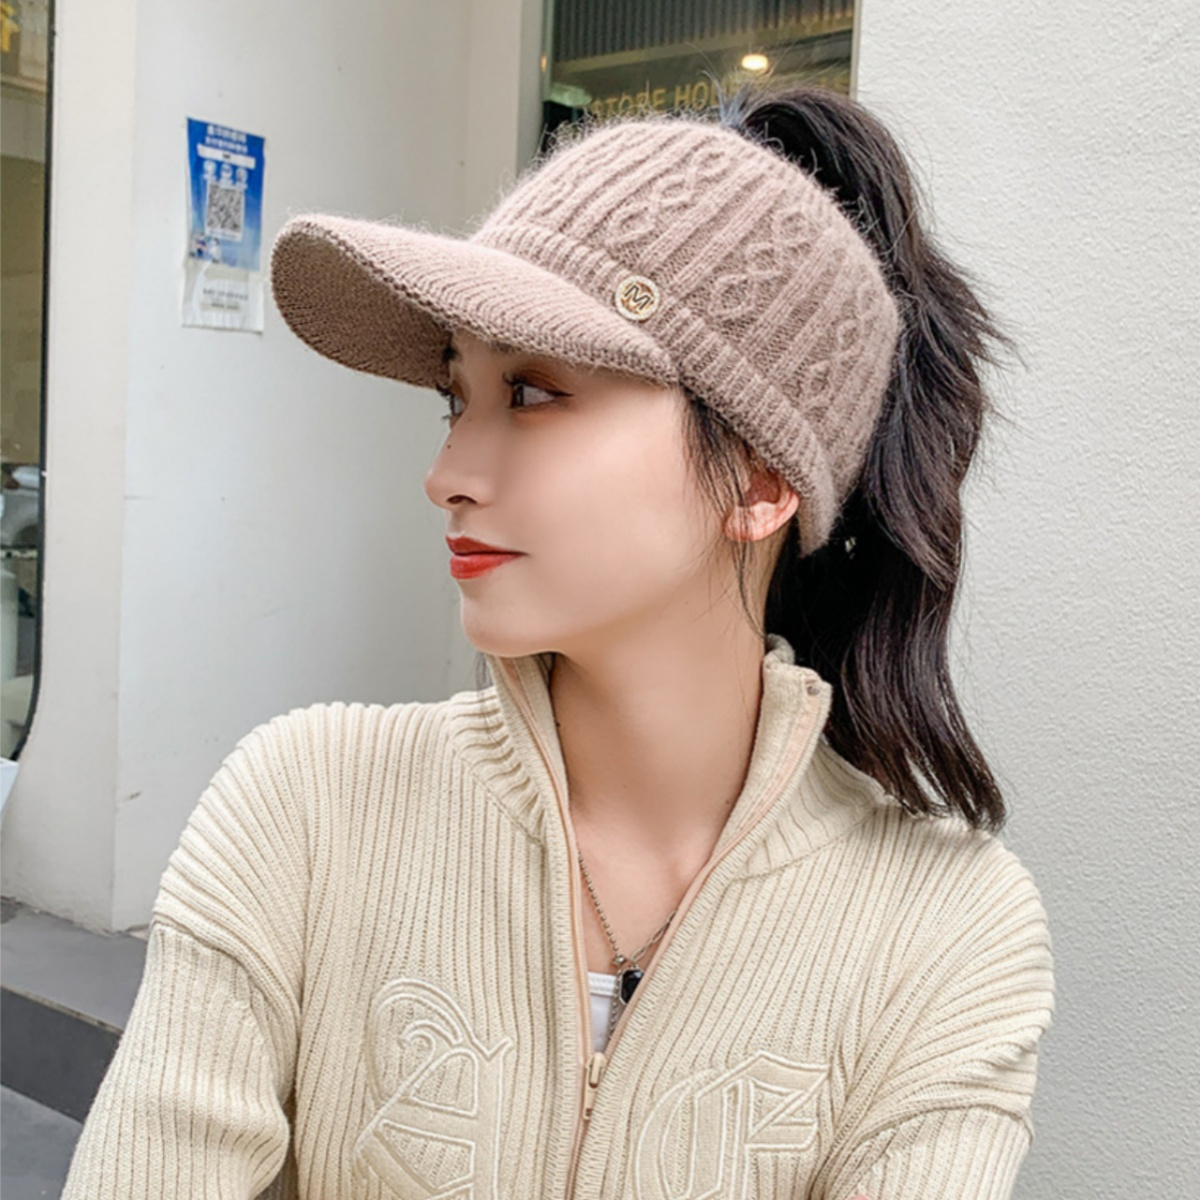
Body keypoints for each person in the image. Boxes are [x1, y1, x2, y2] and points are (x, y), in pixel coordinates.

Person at [62, 82, 1054, 1200]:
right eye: (456, 398)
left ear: (764, 480)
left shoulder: (949, 931)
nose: (447, 474)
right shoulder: (306, 809)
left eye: (532, 394)